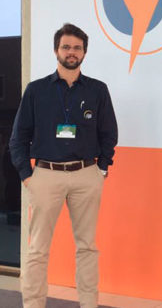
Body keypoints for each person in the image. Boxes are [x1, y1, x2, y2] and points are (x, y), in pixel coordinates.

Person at [9, 23, 118, 308]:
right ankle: (33, 304)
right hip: (46, 175)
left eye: (77, 48)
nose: (72, 52)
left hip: (86, 175)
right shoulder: (36, 91)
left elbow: (109, 133)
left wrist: (101, 169)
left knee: (87, 247)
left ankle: (88, 304)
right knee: (37, 249)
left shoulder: (97, 90)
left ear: (84, 52)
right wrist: (27, 176)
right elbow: (18, 138)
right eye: (66, 47)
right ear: (56, 50)